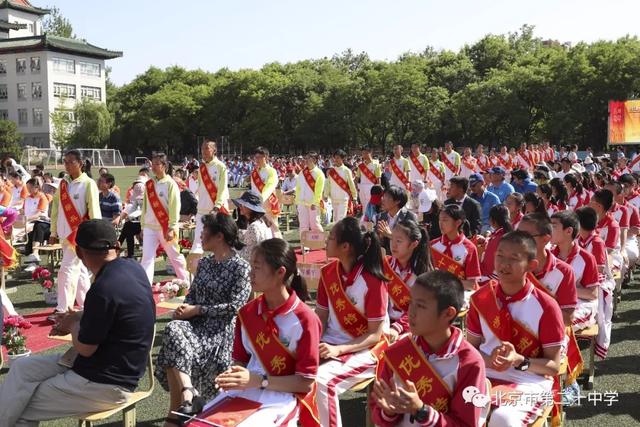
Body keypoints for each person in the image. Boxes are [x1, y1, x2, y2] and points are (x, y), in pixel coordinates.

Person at [0, 220, 155, 426]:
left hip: (107, 383)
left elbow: (85, 348)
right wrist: (78, 316)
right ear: (117, 246)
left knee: (18, 407)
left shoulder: (102, 289)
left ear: (80, 253)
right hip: (108, 368)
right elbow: (116, 312)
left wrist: (72, 325)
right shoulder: (133, 268)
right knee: (22, 368)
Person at [202, 238, 321, 426]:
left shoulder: (305, 319)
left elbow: (305, 383)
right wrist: (233, 375)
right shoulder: (247, 312)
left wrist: (260, 381)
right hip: (247, 388)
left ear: (280, 272)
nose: (250, 273)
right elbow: (241, 360)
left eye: (257, 267)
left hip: (283, 397)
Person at [156, 213, 251, 426]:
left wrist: (197, 310)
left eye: (204, 232)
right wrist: (184, 308)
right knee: (173, 328)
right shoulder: (205, 263)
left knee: (172, 348)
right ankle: (188, 392)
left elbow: (235, 307)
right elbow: (193, 295)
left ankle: (176, 413)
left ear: (219, 236)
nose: (200, 236)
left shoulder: (241, 267)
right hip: (196, 326)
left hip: (220, 331)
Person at [466, 231, 565, 427]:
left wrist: (519, 361)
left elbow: (553, 366)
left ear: (531, 265)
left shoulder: (546, 306)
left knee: (503, 419)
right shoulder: (480, 298)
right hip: (485, 373)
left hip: (529, 379)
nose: (504, 264)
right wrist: (490, 360)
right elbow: (471, 350)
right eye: (500, 256)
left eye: (513, 258)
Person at [371, 270, 489, 427]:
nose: (411, 312)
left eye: (421, 306)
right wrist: (388, 412)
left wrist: (421, 411)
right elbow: (378, 414)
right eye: (411, 302)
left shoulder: (469, 362)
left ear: (448, 313)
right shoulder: (398, 351)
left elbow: (466, 424)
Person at [315, 217, 389, 427]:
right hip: (331, 343)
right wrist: (308, 344)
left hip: (366, 348)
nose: (326, 241)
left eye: (331, 237)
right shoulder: (328, 273)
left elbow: (374, 334)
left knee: (322, 381)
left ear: (345, 247)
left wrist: (339, 350)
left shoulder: (373, 281)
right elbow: (321, 317)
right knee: (290, 366)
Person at [49, 150, 101, 319]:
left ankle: (63, 309)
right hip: (64, 235)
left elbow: (94, 211)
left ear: (80, 163)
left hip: (79, 235)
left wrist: (95, 234)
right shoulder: (63, 184)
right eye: (65, 161)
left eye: (71, 161)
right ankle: (89, 306)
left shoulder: (88, 183)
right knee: (80, 273)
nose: (67, 165)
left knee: (66, 270)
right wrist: (53, 231)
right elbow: (56, 209)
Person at [517, 213, 577, 326]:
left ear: (545, 239)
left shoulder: (564, 272)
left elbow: (568, 318)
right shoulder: (513, 264)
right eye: (517, 234)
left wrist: (531, 314)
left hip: (548, 332)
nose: (518, 240)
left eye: (525, 236)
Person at [140, 153, 189, 284]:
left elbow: (175, 207)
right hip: (149, 227)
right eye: (153, 164)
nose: (153, 167)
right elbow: (145, 206)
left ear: (164, 166)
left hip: (166, 227)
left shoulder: (170, 184)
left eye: (157, 164)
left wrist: (172, 227)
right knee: (147, 258)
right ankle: (145, 287)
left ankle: (186, 281)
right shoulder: (149, 184)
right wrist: (142, 226)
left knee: (174, 256)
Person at [383, 219, 432, 342]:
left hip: (412, 327)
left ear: (413, 244)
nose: (393, 245)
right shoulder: (384, 265)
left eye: (399, 241)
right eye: (392, 239)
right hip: (384, 324)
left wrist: (397, 327)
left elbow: (420, 308)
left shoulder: (422, 273)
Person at [550, 211, 599, 330]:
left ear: (568, 231)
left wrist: (564, 291)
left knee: (558, 322)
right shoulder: (549, 255)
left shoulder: (587, 258)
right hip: (554, 300)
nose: (548, 230)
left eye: (554, 226)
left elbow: (592, 294)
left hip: (580, 303)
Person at [575, 207, 614, 359]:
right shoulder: (579, 239)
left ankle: (597, 342)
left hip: (596, 284)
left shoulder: (596, 242)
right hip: (581, 284)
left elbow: (599, 269)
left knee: (601, 316)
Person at [431, 204, 481, 294]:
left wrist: (446, 283)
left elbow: (472, 284)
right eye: (439, 220)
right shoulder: (432, 245)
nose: (440, 223)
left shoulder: (469, 248)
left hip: (459, 295)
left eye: (445, 220)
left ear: (458, 222)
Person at [191, 139, 229, 254]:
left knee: (221, 242)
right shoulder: (201, 168)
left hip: (217, 211)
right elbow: (200, 188)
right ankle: (195, 265)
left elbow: (222, 189)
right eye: (202, 148)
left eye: (207, 148)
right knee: (197, 242)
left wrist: (217, 206)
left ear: (214, 150)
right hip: (202, 210)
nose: (204, 151)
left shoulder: (221, 167)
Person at [374, 185, 418, 254]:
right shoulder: (380, 217)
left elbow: (413, 241)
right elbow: (377, 243)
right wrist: (380, 237)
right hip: (386, 257)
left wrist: (390, 235)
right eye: (383, 196)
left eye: (387, 197)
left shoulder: (409, 217)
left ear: (397, 201)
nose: (382, 199)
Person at [233, 191, 274, 262]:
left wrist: (231, 249)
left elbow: (248, 256)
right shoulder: (263, 221)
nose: (240, 206)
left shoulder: (254, 226)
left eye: (243, 204)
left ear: (251, 209)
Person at [250, 146, 281, 236]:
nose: (257, 160)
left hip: (268, 203)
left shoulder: (271, 171)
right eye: (256, 157)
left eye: (260, 157)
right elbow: (253, 189)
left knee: (273, 228)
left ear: (266, 157)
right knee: (259, 229)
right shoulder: (254, 172)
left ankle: (278, 245)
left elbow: (270, 187)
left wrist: (260, 199)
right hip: (256, 204)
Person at [590, 189, 623, 273]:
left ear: (599, 206)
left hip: (611, 259)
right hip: (593, 257)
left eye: (591, 202)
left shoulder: (612, 226)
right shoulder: (589, 220)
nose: (588, 204)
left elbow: (608, 251)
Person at [479, 204, 513, 280]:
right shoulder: (508, 234)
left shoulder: (497, 239)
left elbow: (487, 269)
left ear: (492, 220)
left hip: (493, 278)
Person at [22, 178, 50, 268]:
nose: (28, 190)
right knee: (30, 234)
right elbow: (22, 211)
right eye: (27, 188)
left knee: (37, 226)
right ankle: (32, 261)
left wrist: (27, 219)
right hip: (29, 224)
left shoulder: (42, 197)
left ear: (36, 187)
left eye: (30, 188)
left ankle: (34, 254)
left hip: (44, 224)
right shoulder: (27, 198)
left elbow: (39, 214)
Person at [295, 152, 325, 235]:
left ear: (314, 160)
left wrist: (315, 202)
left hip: (313, 203)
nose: (306, 160)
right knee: (303, 225)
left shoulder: (319, 173)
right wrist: (297, 201)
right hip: (302, 202)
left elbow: (319, 190)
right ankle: (304, 242)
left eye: (308, 158)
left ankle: (321, 241)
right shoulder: (302, 173)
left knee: (314, 224)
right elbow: (298, 188)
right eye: (306, 158)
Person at [324, 149, 357, 223]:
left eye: (338, 158)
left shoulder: (347, 171)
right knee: (335, 219)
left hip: (343, 198)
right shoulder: (331, 171)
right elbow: (328, 184)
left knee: (340, 219)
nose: (336, 159)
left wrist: (354, 197)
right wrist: (325, 195)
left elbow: (351, 184)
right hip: (334, 198)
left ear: (343, 159)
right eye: (335, 157)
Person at [118, 177, 145, 259]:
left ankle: (119, 246)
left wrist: (131, 216)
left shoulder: (146, 197)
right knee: (128, 227)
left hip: (146, 223)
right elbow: (134, 207)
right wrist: (130, 216)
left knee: (128, 227)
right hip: (139, 222)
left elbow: (143, 210)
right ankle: (128, 253)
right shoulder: (136, 197)